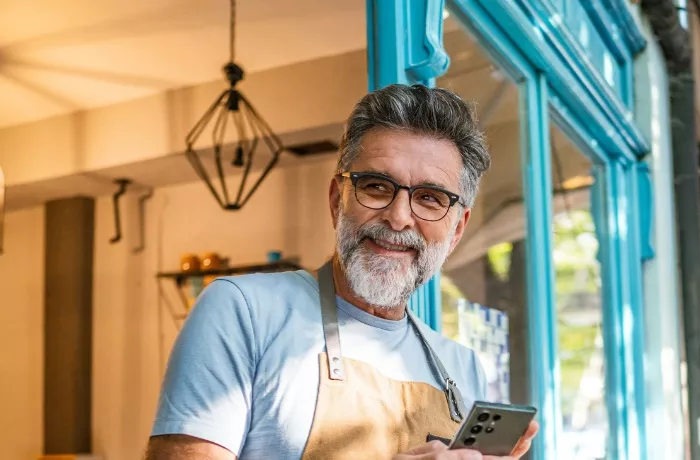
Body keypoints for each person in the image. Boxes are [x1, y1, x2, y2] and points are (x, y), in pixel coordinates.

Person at [145, 84, 540, 460]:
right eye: (377, 187)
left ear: (456, 230)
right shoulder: (243, 311)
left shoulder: (462, 368)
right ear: (337, 200)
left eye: (430, 198)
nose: (398, 217)